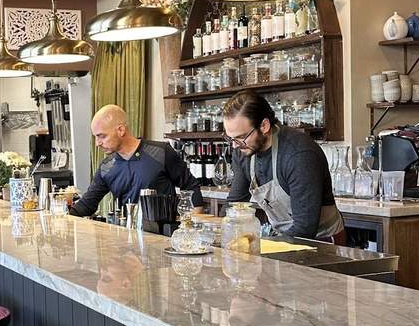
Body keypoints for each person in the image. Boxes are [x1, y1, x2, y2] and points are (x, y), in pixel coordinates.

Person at [222, 90, 344, 242]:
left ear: (264, 126)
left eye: (241, 137)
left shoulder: (299, 154)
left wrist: (264, 248)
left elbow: (304, 228)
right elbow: (235, 204)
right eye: (230, 138)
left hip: (322, 242)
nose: (234, 145)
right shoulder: (243, 151)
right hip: (285, 239)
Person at [69, 104, 203, 217]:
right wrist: (64, 218)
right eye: (95, 137)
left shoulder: (161, 152)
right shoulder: (106, 167)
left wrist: (192, 225)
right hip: (126, 239)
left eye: (101, 136)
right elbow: (87, 204)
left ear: (121, 130)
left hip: (162, 238)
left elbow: (191, 186)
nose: (97, 143)